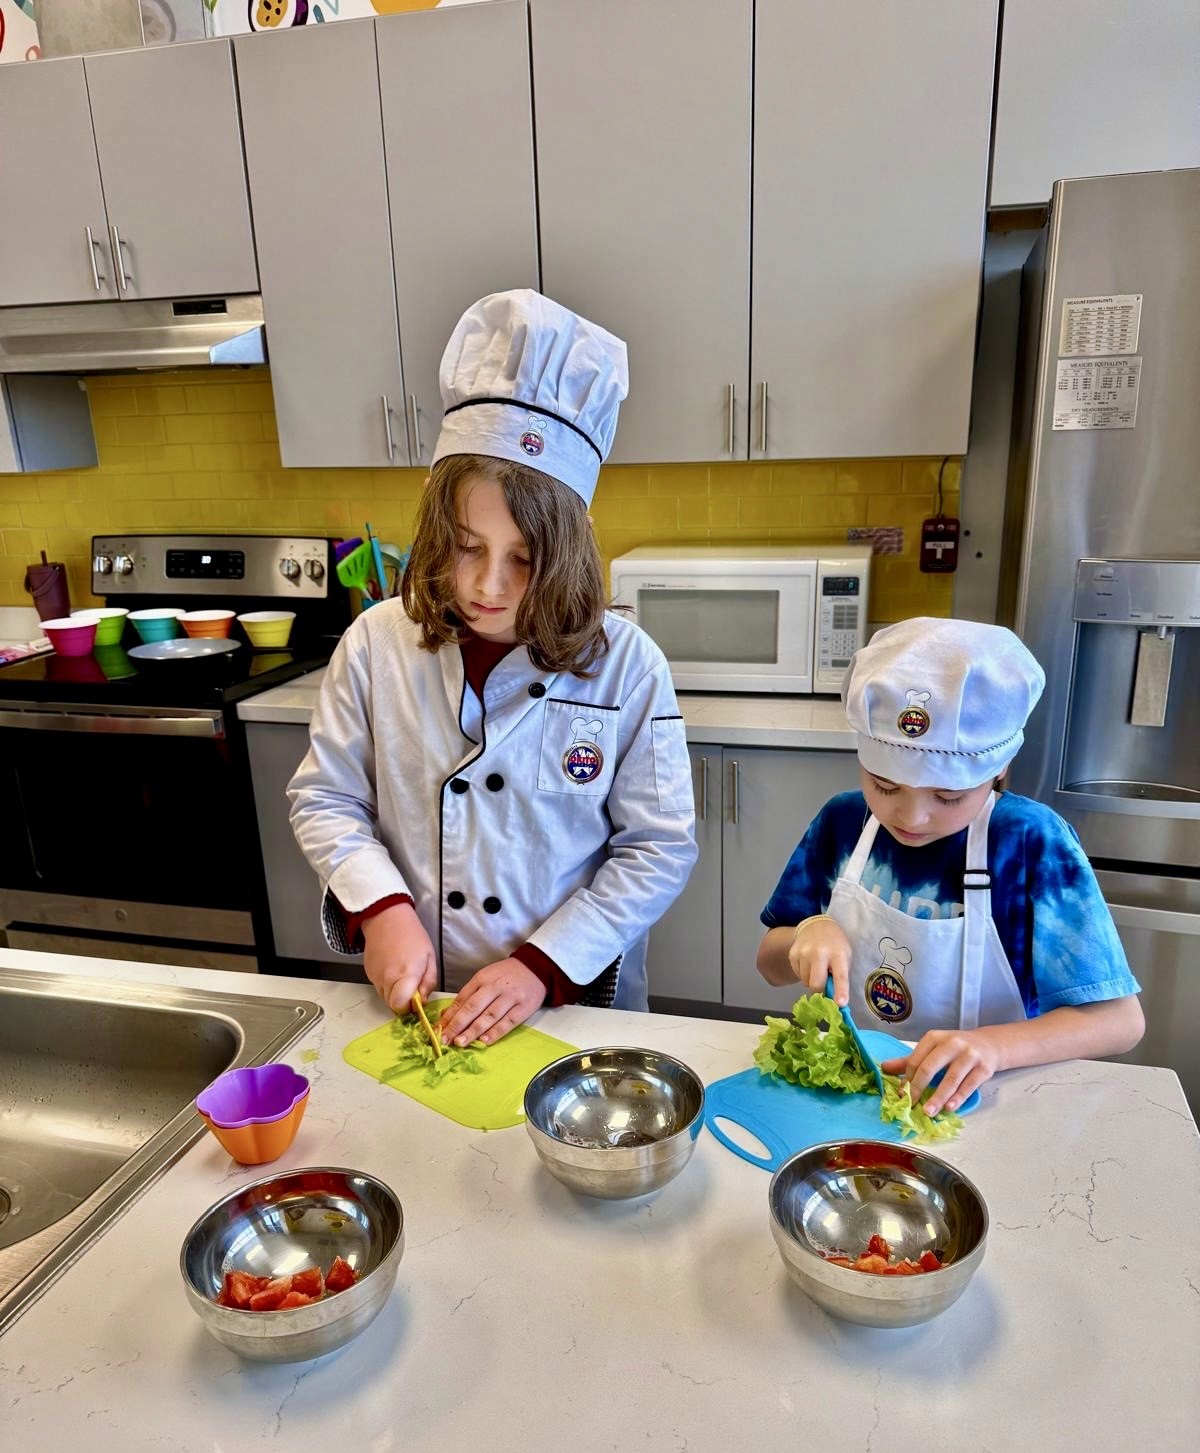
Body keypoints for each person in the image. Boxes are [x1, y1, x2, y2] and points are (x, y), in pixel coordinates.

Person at [289, 289, 697, 1047]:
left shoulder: (627, 666)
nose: (486, 586)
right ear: (435, 526)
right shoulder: (378, 643)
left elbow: (658, 847)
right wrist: (380, 910)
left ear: (567, 553)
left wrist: (542, 966)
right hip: (418, 1004)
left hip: (574, 1010)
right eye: (467, 547)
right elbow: (326, 800)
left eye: (525, 559)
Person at [756, 617, 1144, 1115]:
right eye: (885, 785)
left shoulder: (1029, 842)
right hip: (849, 1097)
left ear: (998, 769)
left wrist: (993, 1046)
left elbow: (1120, 1021)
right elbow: (768, 964)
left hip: (989, 1103)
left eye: (948, 796)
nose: (911, 817)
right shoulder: (843, 820)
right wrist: (805, 932)